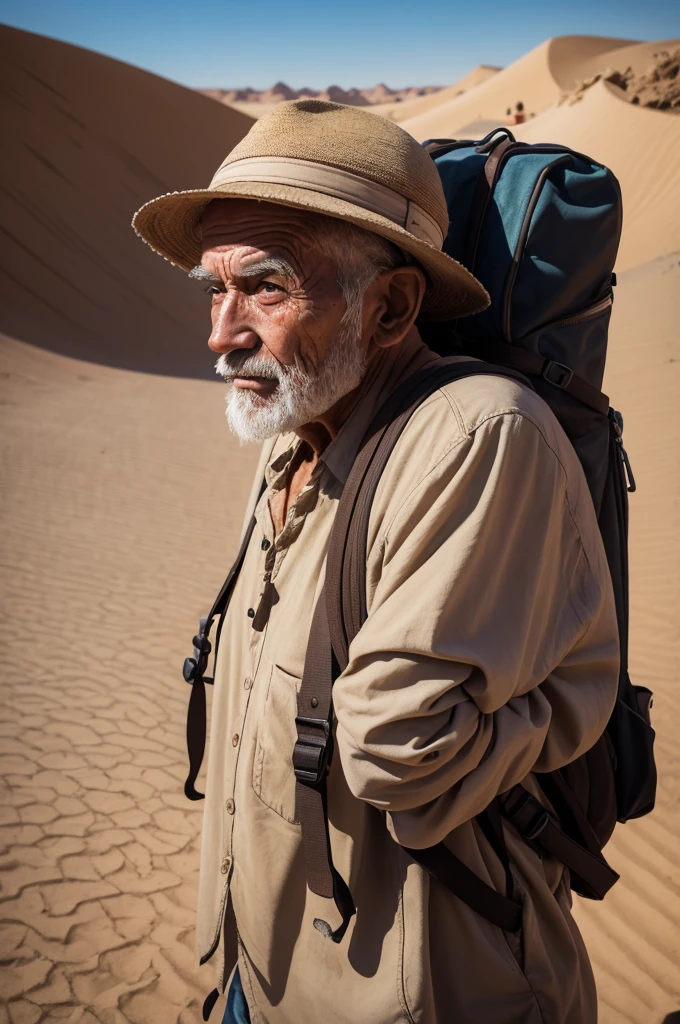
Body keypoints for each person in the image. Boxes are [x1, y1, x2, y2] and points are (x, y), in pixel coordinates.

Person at [133, 100, 618, 1024]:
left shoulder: (479, 436)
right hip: (257, 968)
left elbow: (396, 749)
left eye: (266, 288)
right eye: (213, 288)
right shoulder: (297, 432)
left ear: (391, 305)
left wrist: (559, 712)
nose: (219, 333)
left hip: (414, 992)